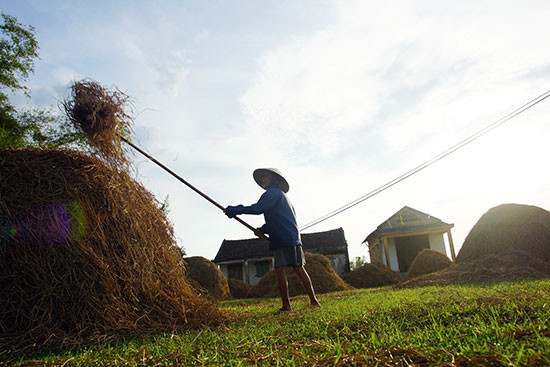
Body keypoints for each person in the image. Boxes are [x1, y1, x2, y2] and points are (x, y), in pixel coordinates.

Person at [225, 168, 320, 312]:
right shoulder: (280, 196)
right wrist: (263, 229)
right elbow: (278, 218)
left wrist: (237, 209)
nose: (263, 179)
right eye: (262, 177)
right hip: (290, 236)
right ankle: (313, 301)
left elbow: (258, 209)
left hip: (283, 237)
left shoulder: (272, 194)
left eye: (266, 176)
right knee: (298, 268)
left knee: (281, 270)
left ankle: (287, 306)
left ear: (275, 179)